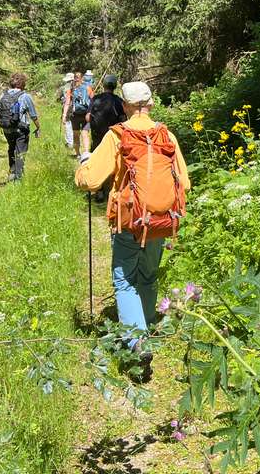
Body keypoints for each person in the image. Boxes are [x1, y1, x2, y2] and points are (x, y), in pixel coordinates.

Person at [75, 81, 190, 378]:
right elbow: (185, 183)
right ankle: (147, 325)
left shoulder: (118, 135)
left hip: (129, 221)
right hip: (160, 220)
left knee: (125, 281)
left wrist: (84, 162)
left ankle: (137, 343)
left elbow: (91, 181)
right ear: (150, 103)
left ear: (125, 106)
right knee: (148, 275)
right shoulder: (166, 135)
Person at [0, 72, 40, 182]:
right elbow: (33, 115)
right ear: (22, 83)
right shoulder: (25, 96)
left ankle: (12, 172)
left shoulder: (3, 95)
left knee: (11, 148)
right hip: (20, 129)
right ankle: (18, 178)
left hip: (7, 129)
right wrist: (38, 127)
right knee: (20, 152)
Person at [87, 74, 125, 150]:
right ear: (115, 86)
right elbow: (123, 120)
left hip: (97, 138)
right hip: (113, 138)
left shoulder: (96, 99)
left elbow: (87, 118)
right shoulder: (119, 101)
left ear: (103, 85)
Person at [62, 71, 93, 159]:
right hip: (85, 114)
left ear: (74, 79)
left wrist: (64, 115)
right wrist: (91, 112)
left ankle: (78, 154)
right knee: (85, 133)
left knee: (76, 134)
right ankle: (86, 153)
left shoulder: (71, 89)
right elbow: (93, 100)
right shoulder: (88, 87)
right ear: (82, 78)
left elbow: (67, 103)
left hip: (75, 115)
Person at [57, 72, 74, 149]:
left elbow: (66, 102)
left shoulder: (67, 88)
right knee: (73, 126)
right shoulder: (78, 87)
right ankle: (74, 142)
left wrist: (64, 114)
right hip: (76, 109)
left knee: (67, 124)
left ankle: (70, 143)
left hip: (68, 108)